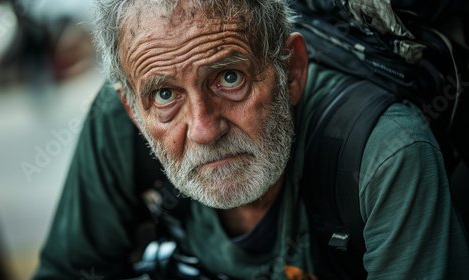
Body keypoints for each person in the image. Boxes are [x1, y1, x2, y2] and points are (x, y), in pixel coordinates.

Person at [33, 0, 469, 279]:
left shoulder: (386, 153)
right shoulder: (117, 124)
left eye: (229, 77)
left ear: (292, 71)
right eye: (165, 94)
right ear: (133, 110)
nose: (204, 129)